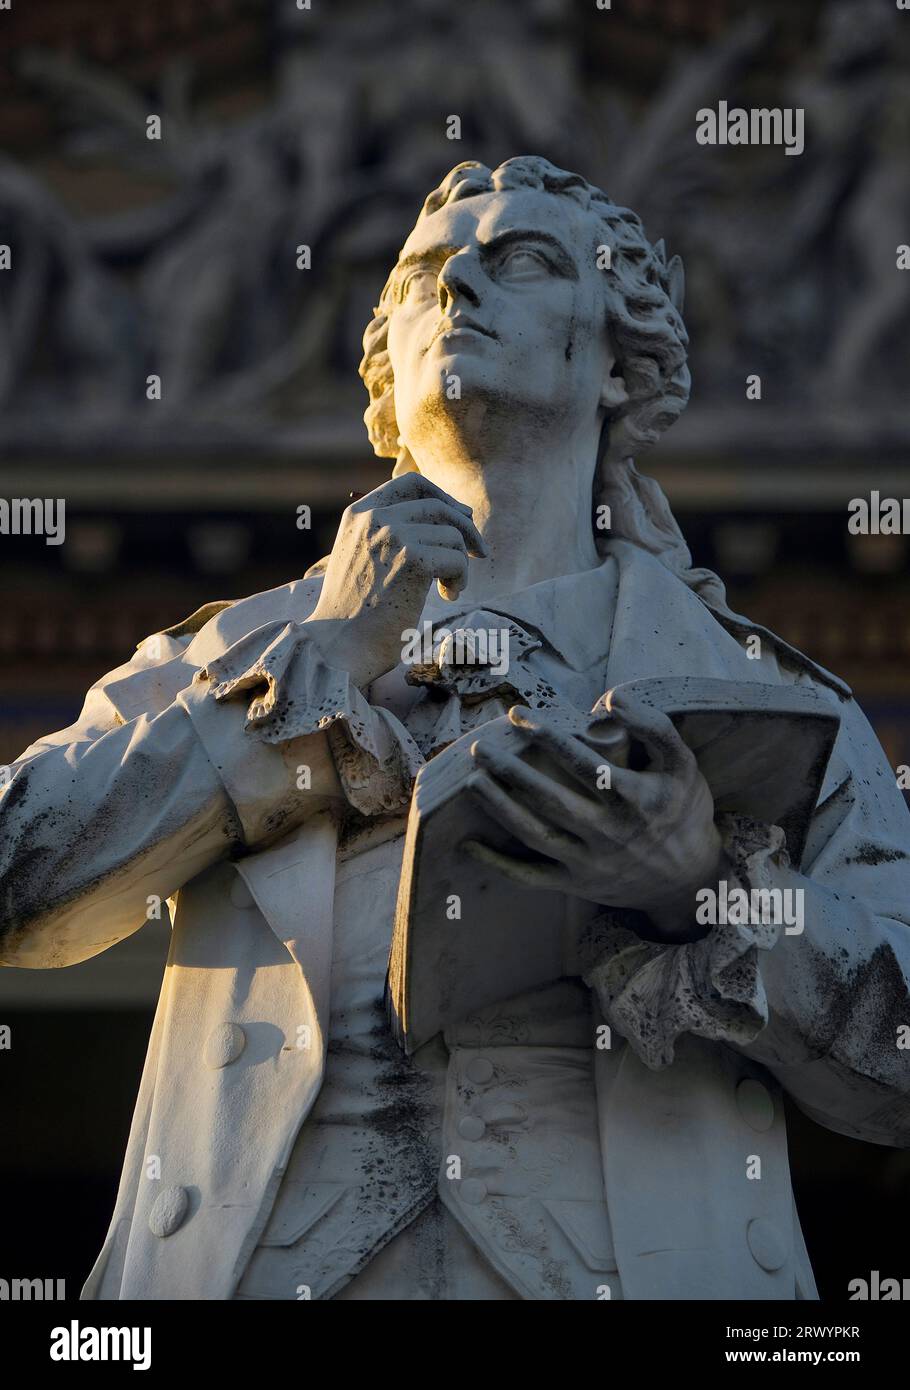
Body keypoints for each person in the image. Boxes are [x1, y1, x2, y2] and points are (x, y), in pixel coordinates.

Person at [2, 157, 908, 1300]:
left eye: (519, 260)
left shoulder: (760, 696)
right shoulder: (236, 654)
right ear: (388, 361)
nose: (460, 285)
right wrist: (309, 676)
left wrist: (703, 890)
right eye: (427, 273)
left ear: (622, 359)